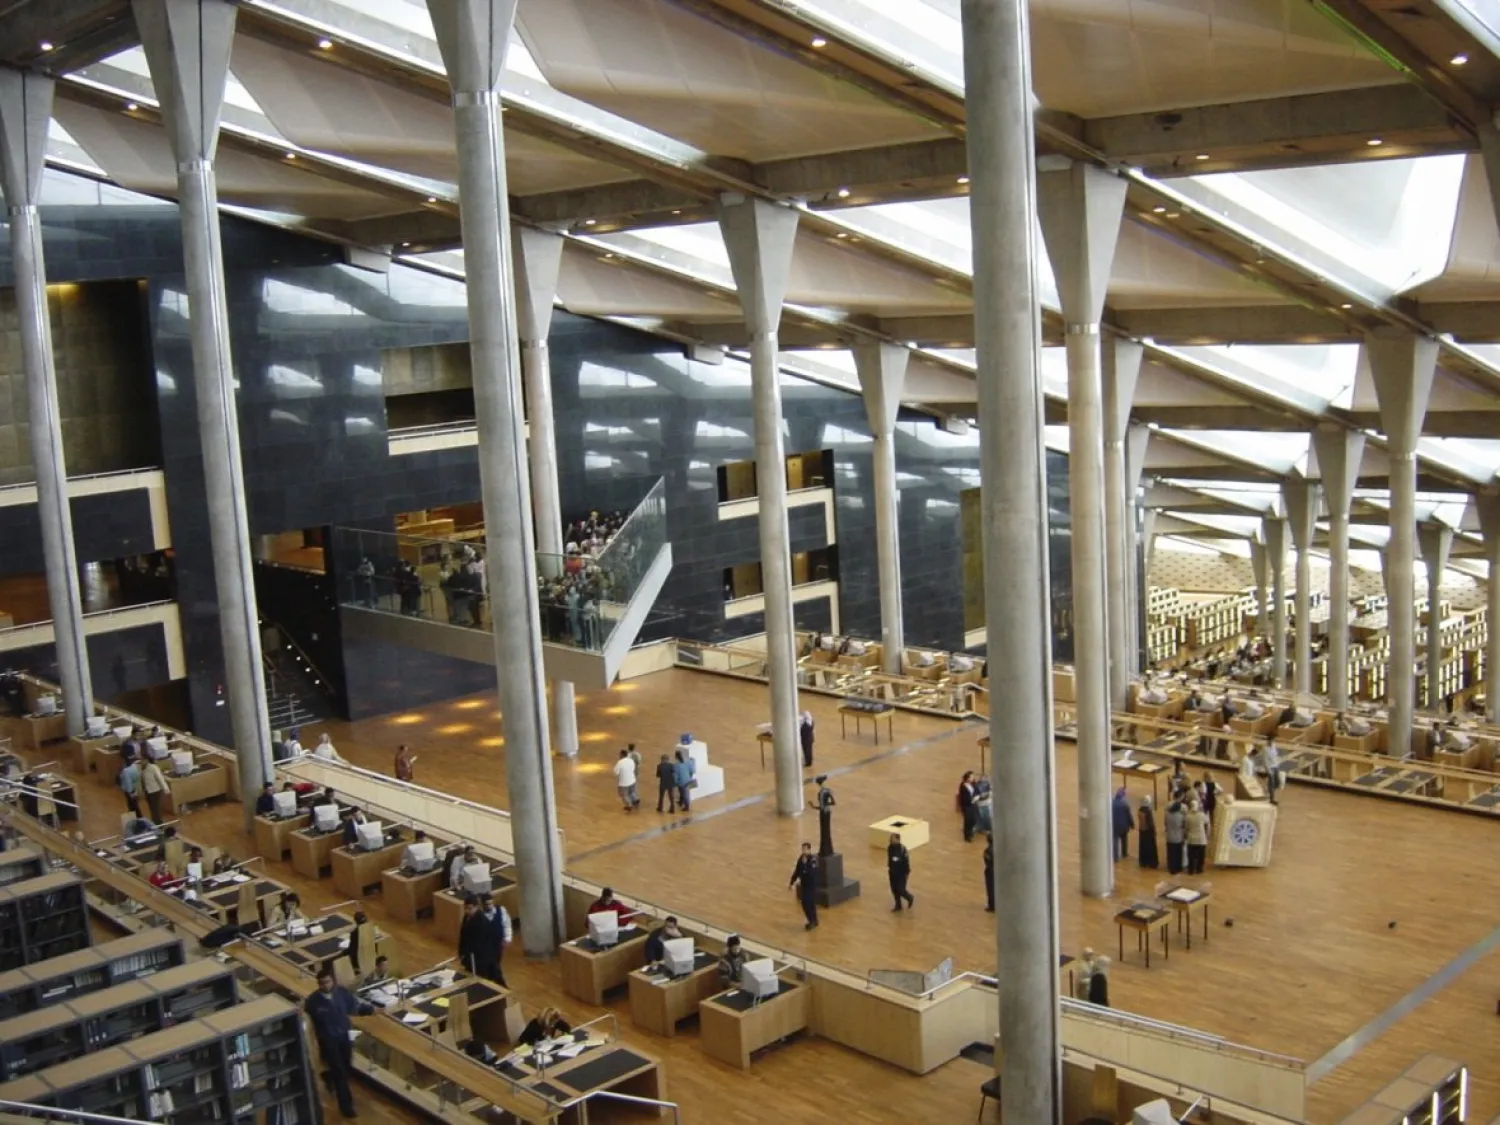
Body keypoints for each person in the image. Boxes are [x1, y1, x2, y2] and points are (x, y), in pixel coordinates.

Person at [304, 966, 374, 1118]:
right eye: (321, 983)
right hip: (328, 1041)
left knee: (346, 1067)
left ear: (333, 981)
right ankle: (346, 1107)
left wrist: (371, 1010)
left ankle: (328, 1076)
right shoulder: (313, 1002)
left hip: (343, 1037)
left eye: (327, 982)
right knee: (340, 1073)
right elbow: (309, 1022)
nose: (325, 985)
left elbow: (354, 1007)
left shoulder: (341, 993)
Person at [789, 842, 820, 931]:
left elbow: (812, 873)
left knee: (808, 903)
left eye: (805, 849)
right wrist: (792, 882)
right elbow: (797, 871)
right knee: (806, 903)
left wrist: (805, 865)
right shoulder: (801, 859)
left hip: (811, 885)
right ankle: (813, 920)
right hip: (804, 885)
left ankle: (812, 921)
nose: (803, 851)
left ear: (809, 849)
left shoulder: (813, 859)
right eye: (802, 849)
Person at [886, 832, 914, 911]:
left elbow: (906, 862)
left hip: (901, 873)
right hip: (892, 872)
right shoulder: (890, 847)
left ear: (898, 839)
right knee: (894, 889)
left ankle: (910, 898)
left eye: (892, 838)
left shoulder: (902, 849)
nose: (891, 839)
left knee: (901, 889)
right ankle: (898, 905)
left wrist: (907, 872)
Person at [1184, 799, 1210, 875]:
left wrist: (1186, 835)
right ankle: (1199, 869)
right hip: (1201, 839)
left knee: (1191, 856)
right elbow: (1207, 823)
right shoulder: (1201, 815)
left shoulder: (1187, 816)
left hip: (1191, 839)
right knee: (1201, 856)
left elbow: (1186, 828)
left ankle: (1191, 870)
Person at [140, 755, 168, 825]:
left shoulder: (153, 767)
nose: (141, 761)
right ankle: (156, 821)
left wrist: (165, 788)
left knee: (155, 808)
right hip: (148, 791)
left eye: (142, 760)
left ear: (147, 760)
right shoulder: (143, 768)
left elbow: (160, 778)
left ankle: (158, 823)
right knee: (152, 808)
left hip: (155, 791)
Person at [815, 776, 836, 856]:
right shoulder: (823, 792)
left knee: (826, 829)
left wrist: (824, 805)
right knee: (823, 830)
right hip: (823, 812)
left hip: (825, 812)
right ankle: (824, 849)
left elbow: (833, 802)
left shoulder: (826, 791)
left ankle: (827, 849)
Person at [1164, 800, 1186, 876]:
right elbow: (1183, 826)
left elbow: (1165, 824)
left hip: (1169, 836)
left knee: (1171, 853)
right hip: (1178, 837)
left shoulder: (1167, 814)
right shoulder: (1181, 816)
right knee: (1178, 853)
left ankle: (1171, 867)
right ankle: (1178, 868)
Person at [118, 753, 144, 820]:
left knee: (132, 806)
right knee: (136, 805)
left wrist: (130, 793)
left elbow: (128, 782)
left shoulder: (125, 771)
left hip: (130, 791)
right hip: (136, 788)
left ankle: (136, 820)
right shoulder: (134, 767)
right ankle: (140, 819)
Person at [613, 748, 639, 813]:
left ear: (622, 755)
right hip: (632, 779)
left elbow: (616, 772)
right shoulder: (631, 760)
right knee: (632, 791)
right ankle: (635, 800)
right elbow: (633, 768)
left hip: (624, 782)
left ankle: (629, 805)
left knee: (623, 794)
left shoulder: (620, 762)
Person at [1111, 786, 1133, 861]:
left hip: (1114, 825)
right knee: (1124, 840)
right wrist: (1132, 825)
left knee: (1115, 841)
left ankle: (1115, 857)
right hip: (1123, 826)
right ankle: (1124, 853)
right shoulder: (1125, 804)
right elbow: (1129, 816)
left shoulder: (1111, 803)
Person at [1137, 796, 1159, 869]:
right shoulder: (1148, 811)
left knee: (1143, 846)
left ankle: (1143, 862)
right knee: (1150, 847)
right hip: (1148, 832)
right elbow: (1150, 823)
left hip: (1142, 831)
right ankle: (1151, 862)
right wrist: (1154, 831)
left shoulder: (1140, 810)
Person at [957, 771, 978, 841]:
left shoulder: (973, 784)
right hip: (967, 806)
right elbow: (964, 798)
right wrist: (971, 800)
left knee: (974, 819)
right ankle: (967, 836)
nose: (973, 778)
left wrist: (976, 797)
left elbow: (976, 790)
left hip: (973, 804)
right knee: (968, 821)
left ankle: (971, 832)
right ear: (967, 778)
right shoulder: (963, 786)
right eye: (971, 777)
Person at [673, 747, 696, 812]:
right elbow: (692, 770)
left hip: (681, 782)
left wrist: (676, 782)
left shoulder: (676, 765)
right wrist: (690, 776)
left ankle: (686, 806)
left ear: (676, 757)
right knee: (686, 793)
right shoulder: (688, 762)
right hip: (688, 780)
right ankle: (682, 803)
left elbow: (676, 775)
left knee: (683, 793)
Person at [982, 833, 995, 912]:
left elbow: (987, 861)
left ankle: (991, 906)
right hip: (996, 871)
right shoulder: (999, 849)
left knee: (990, 888)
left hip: (990, 871)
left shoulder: (988, 850)